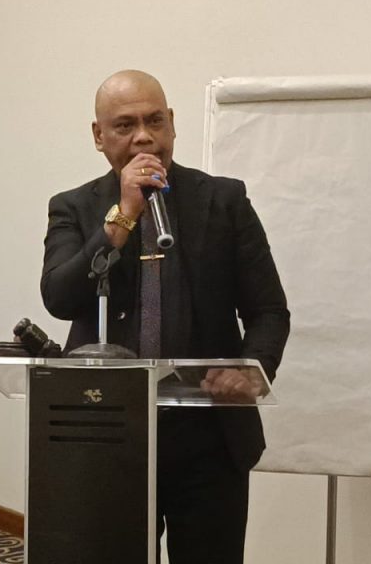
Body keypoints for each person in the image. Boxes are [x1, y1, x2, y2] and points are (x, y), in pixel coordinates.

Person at [40, 70, 290, 564]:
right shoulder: (73, 207)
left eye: (155, 121)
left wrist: (250, 370)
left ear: (172, 124)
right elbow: (59, 298)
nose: (143, 137)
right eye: (125, 125)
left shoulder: (224, 200)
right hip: (107, 431)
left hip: (209, 433)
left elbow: (268, 311)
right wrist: (122, 216)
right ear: (98, 135)